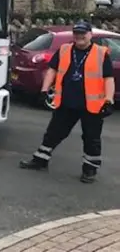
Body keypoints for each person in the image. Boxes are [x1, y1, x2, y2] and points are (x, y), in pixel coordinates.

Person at [19, 20, 115, 183]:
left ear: (90, 35)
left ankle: (90, 169)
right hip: (66, 102)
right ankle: (40, 160)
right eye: (76, 33)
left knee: (91, 138)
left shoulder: (101, 53)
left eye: (82, 33)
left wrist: (109, 99)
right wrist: (44, 90)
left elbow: (108, 79)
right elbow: (52, 71)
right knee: (53, 133)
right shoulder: (64, 50)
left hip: (91, 105)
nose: (79, 37)